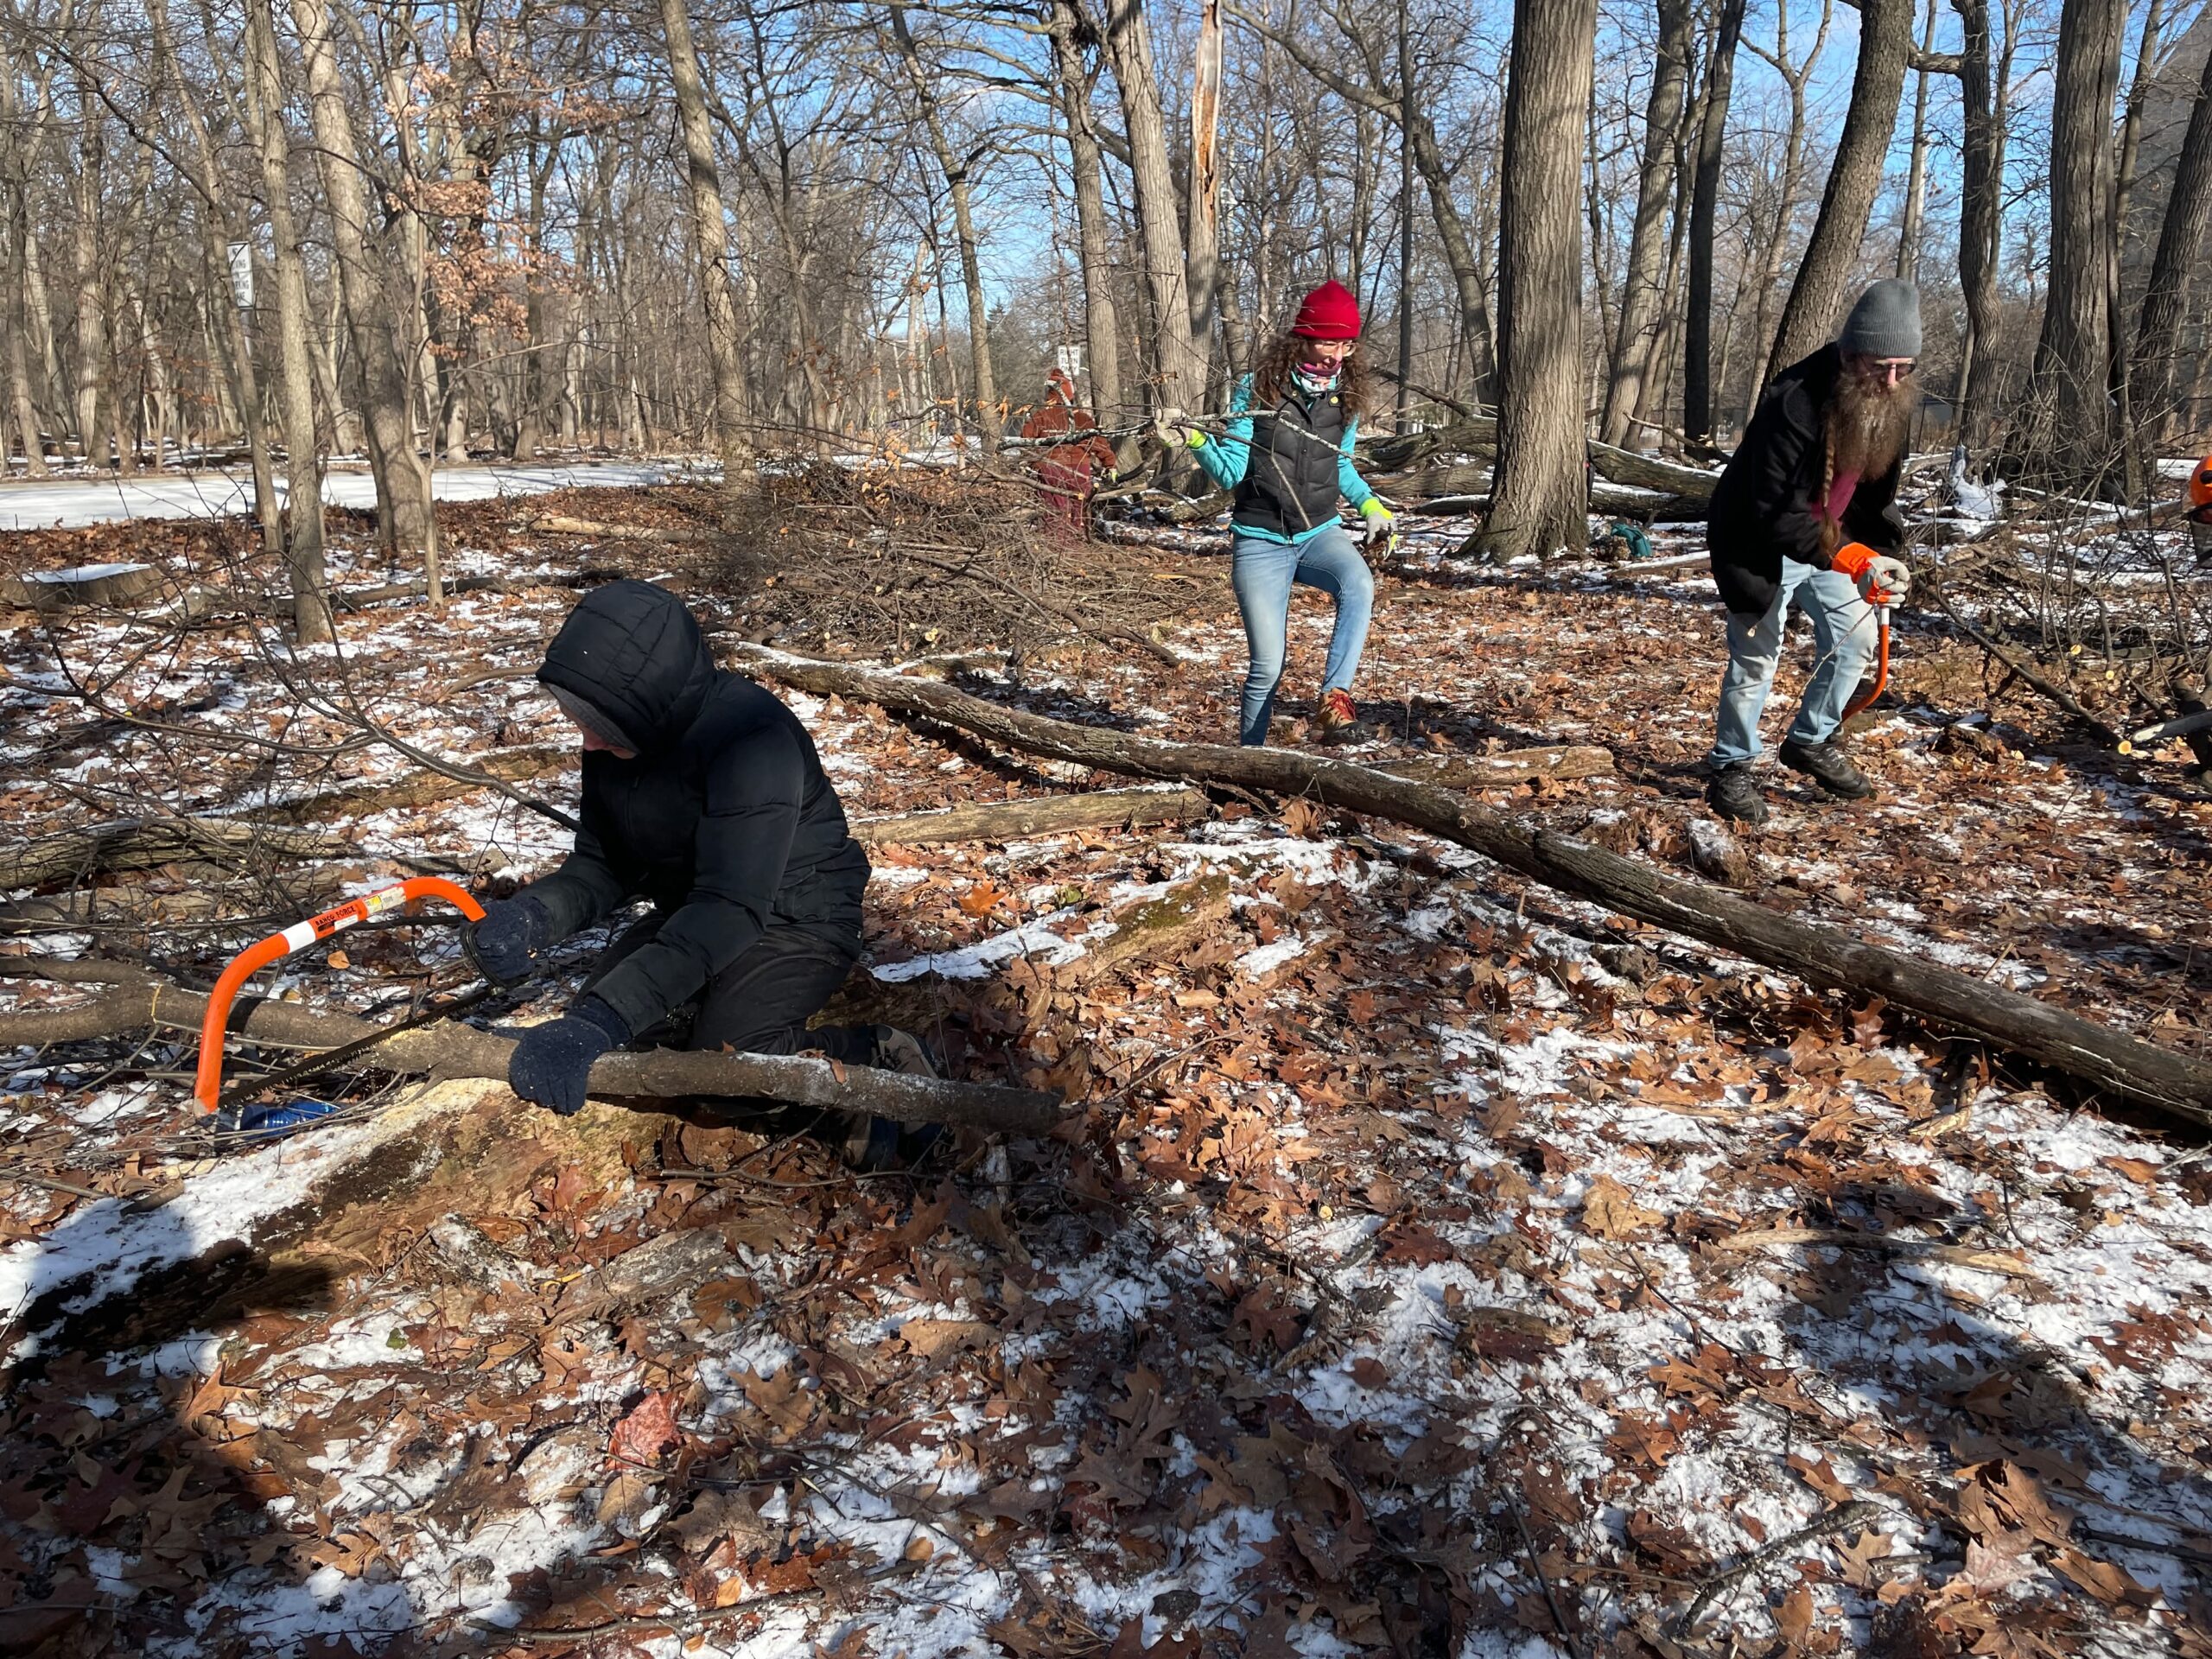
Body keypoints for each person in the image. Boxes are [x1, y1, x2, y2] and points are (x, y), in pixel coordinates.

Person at [467, 580, 932, 1167]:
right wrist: (532, 917)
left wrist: (598, 1018)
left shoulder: (750, 741)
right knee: (631, 1035)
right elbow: (605, 863)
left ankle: (869, 1057)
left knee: (724, 1069)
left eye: (598, 721)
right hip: (700, 906)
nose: (585, 738)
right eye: (579, 717)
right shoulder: (617, 742)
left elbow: (728, 909)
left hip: (799, 914)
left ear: (646, 702)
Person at [1703, 278, 1920, 826]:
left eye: (1903, 368)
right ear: (1850, 354)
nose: (1890, 380)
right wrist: (1853, 559)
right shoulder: (1793, 401)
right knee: (1756, 660)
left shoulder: (1893, 403)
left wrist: (1881, 552)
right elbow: (1773, 513)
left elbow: (1874, 498)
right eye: (1879, 365)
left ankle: (1810, 740)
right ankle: (1731, 766)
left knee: (1857, 643)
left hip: (1832, 544)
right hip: (1760, 546)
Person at [1160, 278, 1394, 746]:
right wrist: (1196, 440)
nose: (1336, 355)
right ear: (1302, 338)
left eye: (1346, 344)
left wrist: (1371, 505)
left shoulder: (1344, 398)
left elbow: (1340, 466)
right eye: (1328, 341)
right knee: (1267, 664)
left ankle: (1335, 700)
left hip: (1318, 533)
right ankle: (1250, 761)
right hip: (1260, 539)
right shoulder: (1259, 389)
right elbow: (1231, 473)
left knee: (1359, 583)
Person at [1019, 367, 1119, 537]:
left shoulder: (1040, 417)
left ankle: (1056, 546)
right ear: (1070, 394)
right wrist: (1110, 464)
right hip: (1079, 471)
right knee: (1079, 510)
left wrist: (1035, 464)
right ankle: (1077, 542)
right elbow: (1099, 445)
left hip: (1050, 469)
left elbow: (1026, 443)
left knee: (1053, 511)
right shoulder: (1082, 419)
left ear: (1049, 395)